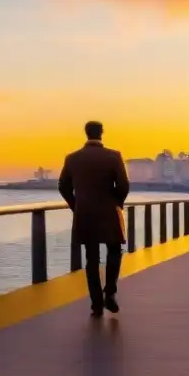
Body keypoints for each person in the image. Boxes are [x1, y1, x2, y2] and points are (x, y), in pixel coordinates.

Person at [58, 121, 129, 318]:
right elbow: (123, 185)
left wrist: (77, 206)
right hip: (109, 213)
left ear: (86, 133)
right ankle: (110, 293)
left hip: (85, 215)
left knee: (91, 258)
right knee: (114, 251)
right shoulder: (114, 156)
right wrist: (116, 203)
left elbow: (63, 187)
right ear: (102, 134)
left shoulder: (72, 158)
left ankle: (96, 303)